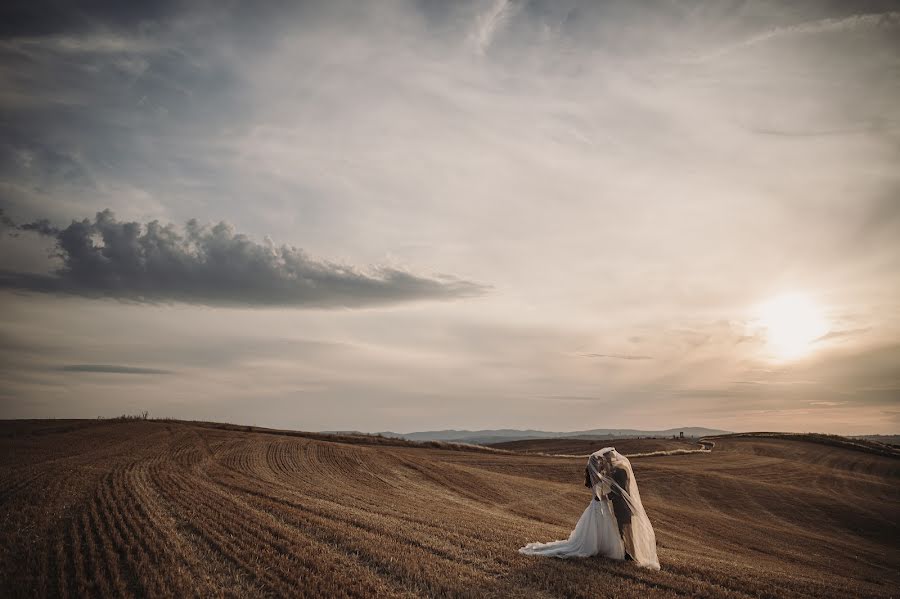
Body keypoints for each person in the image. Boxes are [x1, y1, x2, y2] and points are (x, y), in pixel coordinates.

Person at [519, 447, 660, 570]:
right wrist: (607, 496)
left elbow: (616, 491)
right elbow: (601, 496)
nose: (606, 461)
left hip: (615, 507)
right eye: (603, 461)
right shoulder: (609, 474)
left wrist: (607, 491)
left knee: (622, 531)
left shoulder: (613, 472)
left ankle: (629, 554)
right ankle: (627, 554)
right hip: (604, 507)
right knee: (618, 531)